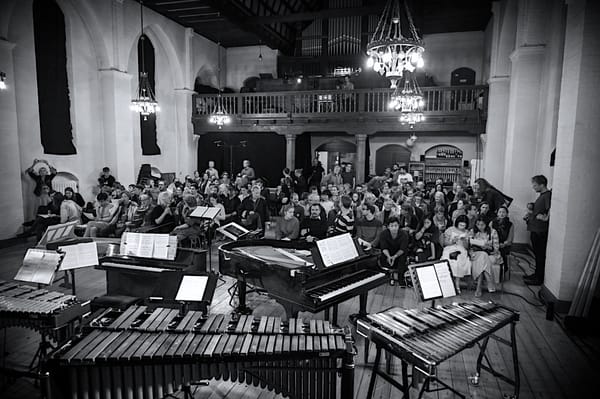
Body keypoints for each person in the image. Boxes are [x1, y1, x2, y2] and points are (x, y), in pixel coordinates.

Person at [524, 175, 551, 285]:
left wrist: (545, 217)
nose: (533, 187)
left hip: (540, 231)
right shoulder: (541, 196)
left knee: (540, 255)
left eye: (535, 185)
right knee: (537, 254)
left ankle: (539, 278)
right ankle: (536, 274)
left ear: (542, 185)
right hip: (535, 229)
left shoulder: (547, 195)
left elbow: (550, 208)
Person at [441, 215, 472, 293]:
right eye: (460, 225)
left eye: (464, 225)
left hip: (461, 249)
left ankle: (457, 284)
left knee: (459, 261)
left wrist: (464, 240)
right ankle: (446, 284)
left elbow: (467, 247)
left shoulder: (467, 232)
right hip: (450, 248)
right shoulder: (450, 230)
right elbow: (444, 243)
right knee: (449, 260)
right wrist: (452, 241)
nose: (462, 227)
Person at [469, 217, 499, 296]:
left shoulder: (493, 232)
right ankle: (490, 282)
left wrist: (487, 247)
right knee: (483, 256)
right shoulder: (472, 232)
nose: (480, 226)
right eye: (478, 224)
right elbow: (469, 246)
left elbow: (496, 248)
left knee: (483, 257)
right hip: (476, 253)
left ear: (486, 224)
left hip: (490, 254)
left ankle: (479, 287)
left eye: (482, 225)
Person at [379, 216, 409, 286]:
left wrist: (394, 256)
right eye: (391, 226)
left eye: (396, 225)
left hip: (399, 253)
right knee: (382, 256)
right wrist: (389, 256)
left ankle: (400, 278)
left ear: (399, 226)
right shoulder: (383, 234)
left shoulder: (404, 234)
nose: (394, 228)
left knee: (403, 256)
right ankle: (388, 276)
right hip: (388, 252)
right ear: (388, 227)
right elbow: (383, 247)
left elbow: (403, 248)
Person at [492, 206, 514, 273]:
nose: (501, 214)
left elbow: (510, 238)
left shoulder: (510, 224)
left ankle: (501, 270)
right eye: (500, 212)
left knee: (502, 252)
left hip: (504, 245)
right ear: (497, 213)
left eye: (503, 212)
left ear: (507, 214)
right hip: (493, 243)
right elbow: (489, 235)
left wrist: (504, 244)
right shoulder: (492, 223)